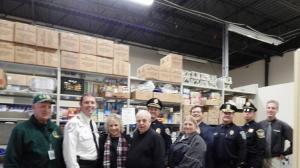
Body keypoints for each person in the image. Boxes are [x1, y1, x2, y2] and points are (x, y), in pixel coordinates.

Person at [4, 94, 65, 168]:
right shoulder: (21, 130)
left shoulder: (56, 128)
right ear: (33, 108)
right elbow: (11, 160)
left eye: (49, 107)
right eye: (42, 106)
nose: (46, 110)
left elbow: (62, 156)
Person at [63, 94, 99, 168]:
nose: (90, 105)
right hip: (81, 164)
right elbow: (69, 151)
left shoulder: (92, 123)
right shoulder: (74, 123)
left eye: (92, 102)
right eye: (86, 102)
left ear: (95, 105)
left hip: (94, 164)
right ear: (80, 105)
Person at [212, 102, 247, 168]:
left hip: (231, 165)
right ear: (221, 114)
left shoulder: (239, 131)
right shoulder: (216, 129)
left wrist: (240, 165)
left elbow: (242, 150)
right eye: (225, 113)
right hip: (216, 164)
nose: (227, 115)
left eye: (229, 113)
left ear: (233, 115)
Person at [259, 100, 293, 168]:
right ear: (266, 109)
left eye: (273, 108)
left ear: (277, 110)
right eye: (268, 107)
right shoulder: (260, 125)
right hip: (261, 159)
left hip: (275, 159)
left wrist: (285, 153)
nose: (270, 110)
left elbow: (296, 141)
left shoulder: (283, 126)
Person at [242, 102, 265, 168]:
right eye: (245, 111)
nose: (247, 113)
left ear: (254, 113)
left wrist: (256, 164)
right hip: (244, 162)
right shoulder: (242, 128)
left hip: (253, 162)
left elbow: (261, 148)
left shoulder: (258, 128)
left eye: (249, 111)